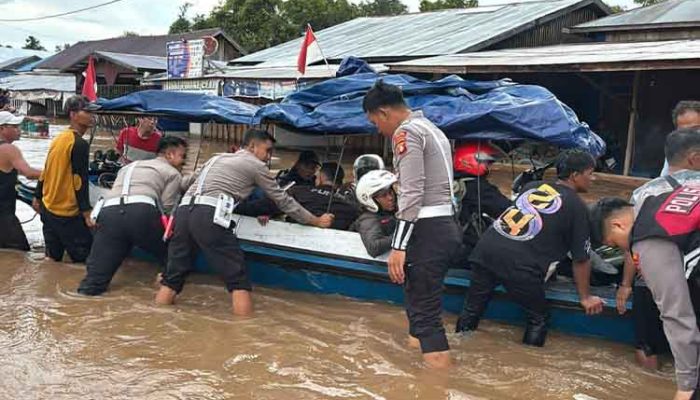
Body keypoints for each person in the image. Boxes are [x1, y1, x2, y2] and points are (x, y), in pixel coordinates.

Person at [155, 129, 334, 316]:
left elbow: (185, 184)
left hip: (183, 213)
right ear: (252, 147)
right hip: (210, 214)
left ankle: (158, 316)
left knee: (173, 278)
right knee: (238, 279)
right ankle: (243, 329)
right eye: (267, 151)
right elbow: (282, 200)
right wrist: (315, 220)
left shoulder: (216, 158)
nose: (268, 157)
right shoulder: (256, 166)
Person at [592, 129, 700, 400]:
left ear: (619, 224)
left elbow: (678, 316)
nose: (625, 250)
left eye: (615, 244)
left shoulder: (647, 230)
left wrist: (685, 388)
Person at [456, 150, 605, 346]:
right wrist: (585, 297)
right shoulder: (577, 206)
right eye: (590, 173)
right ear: (575, 176)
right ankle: (529, 359)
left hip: (485, 252)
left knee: (471, 310)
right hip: (520, 267)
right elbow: (581, 258)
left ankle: (459, 345)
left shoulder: (532, 186)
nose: (593, 179)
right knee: (539, 318)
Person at [363, 81, 461, 369]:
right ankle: (415, 369)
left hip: (427, 229)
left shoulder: (406, 133)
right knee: (420, 304)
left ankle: (438, 384)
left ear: (383, 112)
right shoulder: (432, 128)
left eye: (374, 122)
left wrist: (398, 246)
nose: (377, 130)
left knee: (425, 314)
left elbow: (412, 192)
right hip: (445, 225)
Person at [77, 136, 189, 296]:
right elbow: (167, 209)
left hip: (109, 213)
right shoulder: (173, 173)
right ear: (170, 155)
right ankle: (164, 286)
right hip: (141, 213)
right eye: (182, 156)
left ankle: (83, 300)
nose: (183, 161)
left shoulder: (128, 167)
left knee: (95, 277)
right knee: (174, 251)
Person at [35, 95, 96, 263]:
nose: (91, 115)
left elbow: (45, 170)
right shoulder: (79, 144)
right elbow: (79, 180)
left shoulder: (59, 139)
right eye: (87, 111)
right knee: (85, 260)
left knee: (52, 260)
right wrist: (86, 212)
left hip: (48, 207)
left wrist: (37, 195)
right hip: (67, 212)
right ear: (73, 114)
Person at [238, 162, 359, 230]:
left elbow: (262, 206)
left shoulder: (298, 192)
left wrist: (234, 208)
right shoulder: (351, 206)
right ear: (340, 182)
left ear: (321, 178)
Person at [453, 141, 511, 258]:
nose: (489, 167)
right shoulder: (477, 187)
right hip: (466, 249)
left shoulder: (452, 181)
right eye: (486, 162)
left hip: (450, 244)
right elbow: (506, 210)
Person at [0, 112, 42, 251]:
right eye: (15, 126)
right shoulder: (8, 149)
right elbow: (28, 173)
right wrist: (56, 173)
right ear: (2, 128)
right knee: (20, 255)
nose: (19, 129)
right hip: (4, 216)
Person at [351, 169, 397, 257]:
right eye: (384, 195)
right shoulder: (368, 219)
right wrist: (402, 235)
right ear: (370, 200)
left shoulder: (388, 213)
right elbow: (374, 247)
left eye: (391, 192)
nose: (391, 198)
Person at [660, 101, 700, 176]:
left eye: (696, 129)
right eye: (684, 131)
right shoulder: (677, 152)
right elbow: (667, 181)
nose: (691, 135)